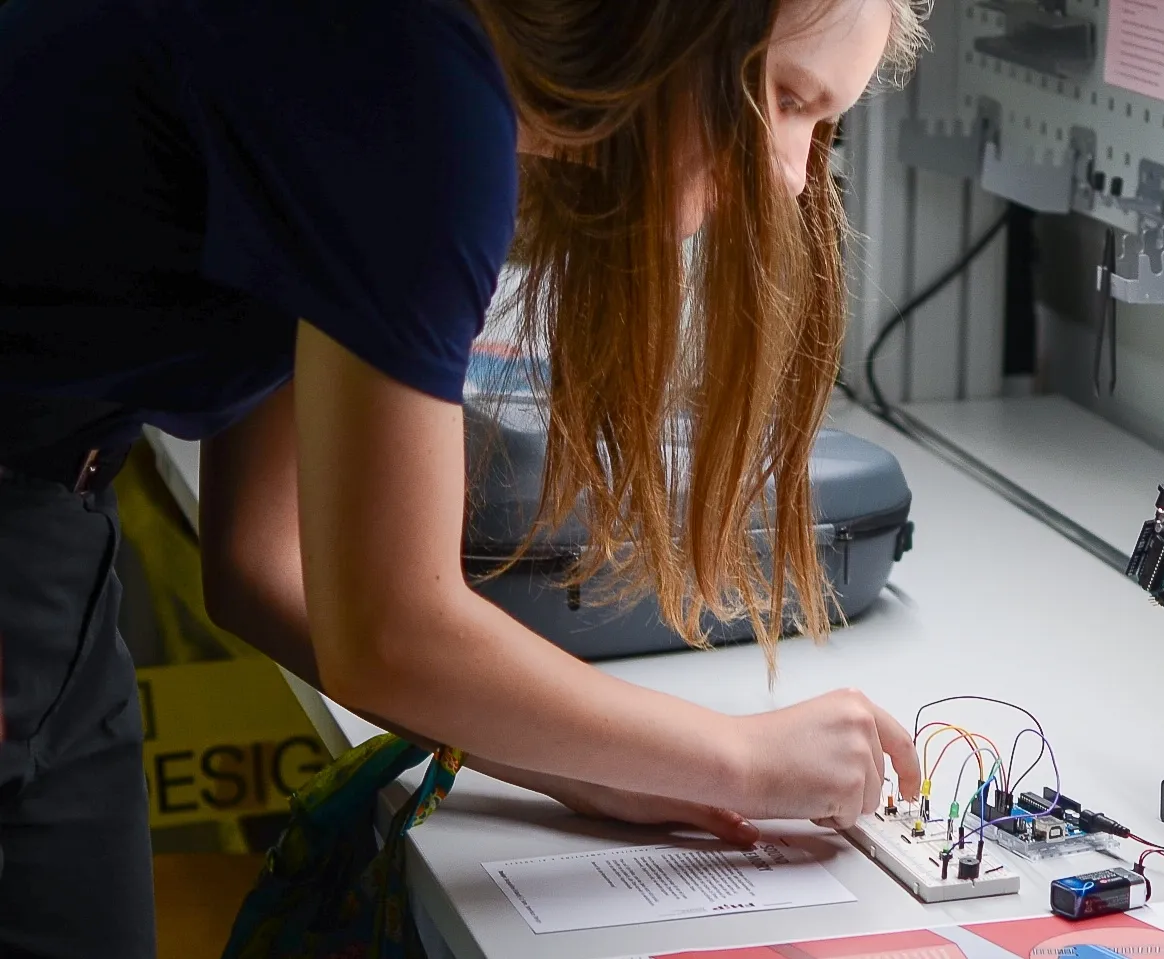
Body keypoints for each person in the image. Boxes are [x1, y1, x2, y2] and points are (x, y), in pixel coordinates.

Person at [0, 0, 929, 953]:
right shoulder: (417, 79)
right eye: (782, 99)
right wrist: (736, 757)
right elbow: (391, 632)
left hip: (60, 532)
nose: (789, 179)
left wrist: (588, 761)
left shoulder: (414, 80)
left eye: (823, 126)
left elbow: (263, 565)